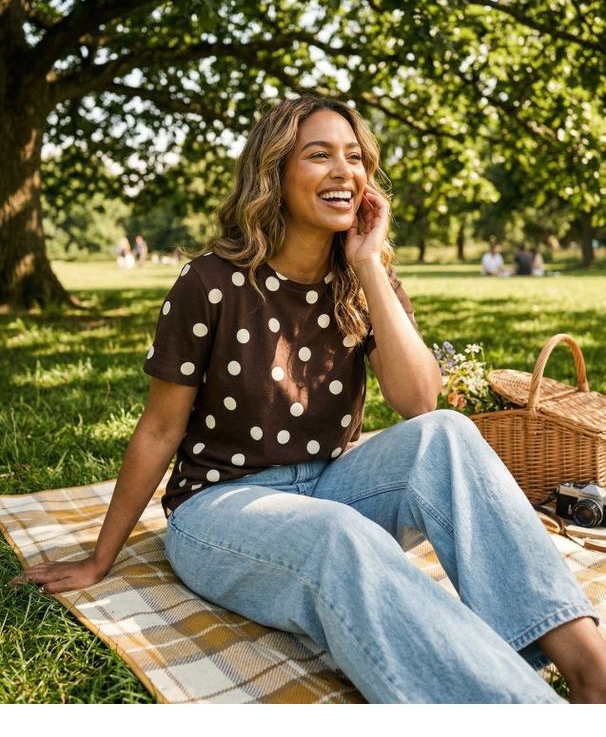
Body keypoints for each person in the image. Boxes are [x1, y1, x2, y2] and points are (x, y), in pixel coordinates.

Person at [11, 96, 606, 704]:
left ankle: (591, 674)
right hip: (220, 510)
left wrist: (370, 264)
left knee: (448, 434)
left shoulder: (361, 279)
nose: (343, 170)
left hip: (331, 485)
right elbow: (160, 430)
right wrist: (98, 558)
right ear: (274, 171)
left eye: (354, 157)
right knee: (339, 535)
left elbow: (420, 402)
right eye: (318, 155)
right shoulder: (210, 282)